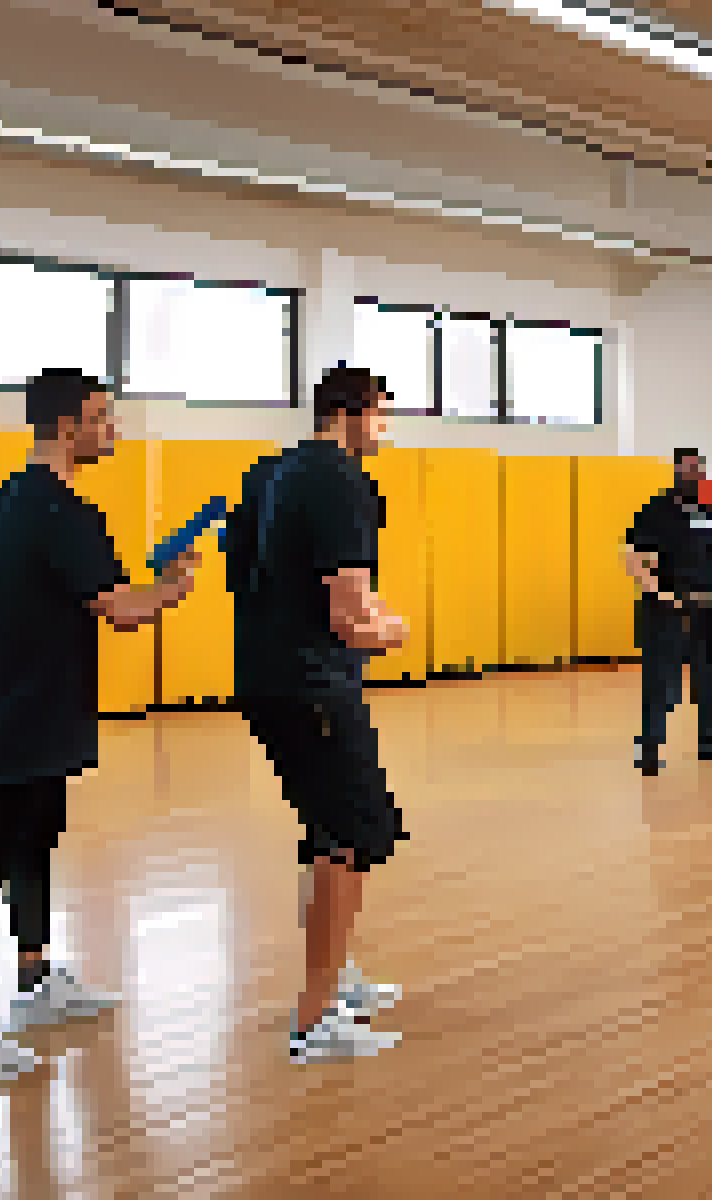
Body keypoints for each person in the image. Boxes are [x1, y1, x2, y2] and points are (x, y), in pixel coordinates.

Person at [0, 369, 202, 1086]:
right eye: (103, 418)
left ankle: (35, 973)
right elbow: (122, 611)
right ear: (69, 424)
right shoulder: (67, 514)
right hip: (29, 711)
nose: (113, 431)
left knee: (33, 839)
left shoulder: (4, 501)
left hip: (21, 704)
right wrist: (175, 586)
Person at [230, 365, 414, 1063]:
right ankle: (315, 1018)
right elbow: (349, 617)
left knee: (323, 830)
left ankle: (333, 975)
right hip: (313, 682)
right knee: (352, 836)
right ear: (351, 413)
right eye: (381, 414)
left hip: (268, 676)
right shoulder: (341, 482)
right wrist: (390, 631)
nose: (385, 428)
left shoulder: (276, 472)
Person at [623, 449, 712, 775]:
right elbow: (633, 557)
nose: (693, 472)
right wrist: (662, 594)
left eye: (698, 467)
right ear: (675, 469)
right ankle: (649, 749)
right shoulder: (655, 511)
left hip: (704, 609)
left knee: (710, 681)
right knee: (660, 681)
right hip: (664, 610)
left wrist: (709, 595)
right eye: (687, 467)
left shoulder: (708, 513)